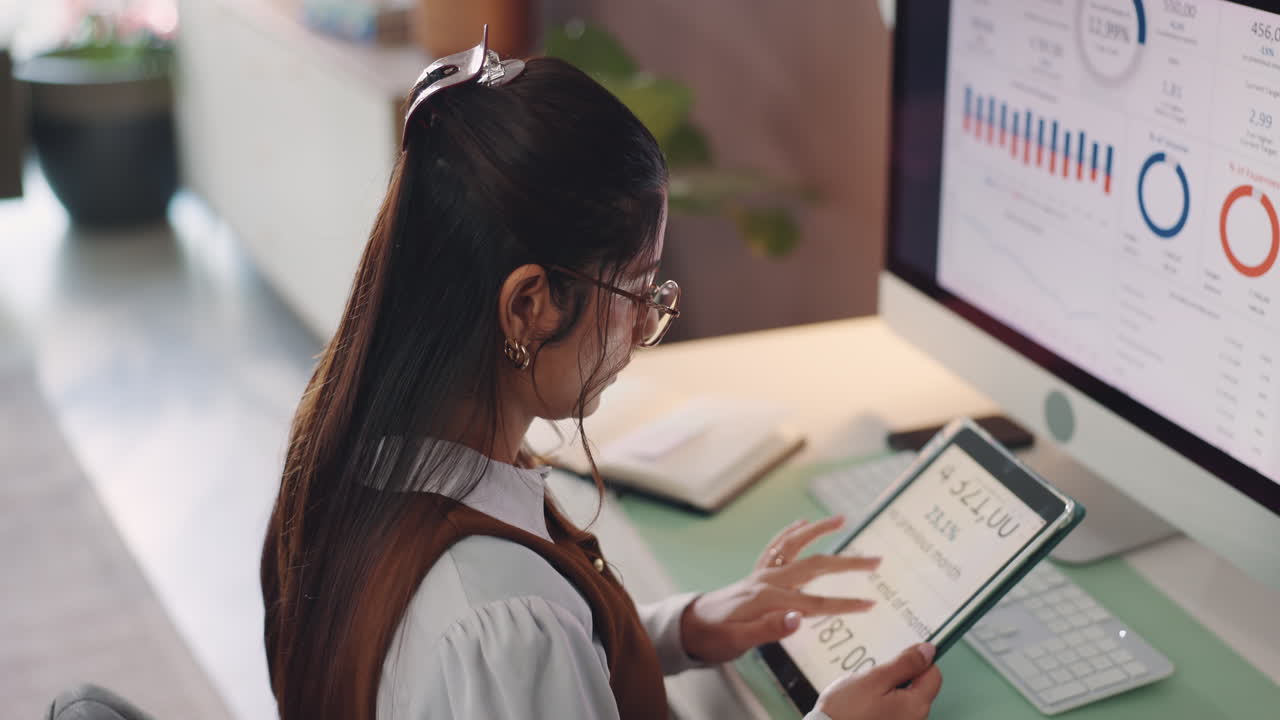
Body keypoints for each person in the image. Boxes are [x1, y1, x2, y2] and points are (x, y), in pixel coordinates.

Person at [260, 33, 943, 720]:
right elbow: (521, 660)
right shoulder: (504, 617)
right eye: (639, 290)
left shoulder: (344, 462)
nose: (646, 324)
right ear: (528, 306)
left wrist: (684, 628)